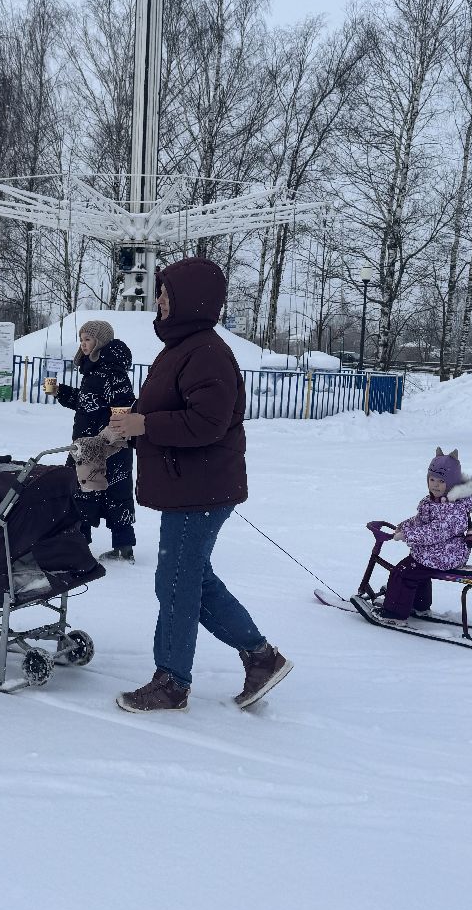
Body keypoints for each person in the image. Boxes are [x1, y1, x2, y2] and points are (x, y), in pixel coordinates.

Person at [106, 258, 292, 713]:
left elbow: (207, 423)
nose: (159, 300)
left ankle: (172, 681)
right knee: (191, 580)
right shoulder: (185, 347)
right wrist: (134, 418)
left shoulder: (205, 351)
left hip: (201, 490)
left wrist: (145, 423)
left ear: (190, 299)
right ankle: (262, 657)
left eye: (167, 293)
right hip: (191, 486)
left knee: (175, 584)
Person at [49, 320, 137, 561]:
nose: (83, 344)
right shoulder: (94, 370)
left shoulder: (112, 371)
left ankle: (119, 546)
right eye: (81, 339)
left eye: (88, 339)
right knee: (82, 491)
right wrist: (61, 392)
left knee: (104, 492)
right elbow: (87, 402)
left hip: (107, 446)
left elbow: (122, 408)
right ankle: (83, 543)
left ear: (100, 342)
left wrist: (106, 439)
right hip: (88, 443)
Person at [359, 448, 472, 625]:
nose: (435, 485)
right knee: (417, 571)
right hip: (434, 553)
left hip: (446, 555)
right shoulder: (431, 501)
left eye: (441, 481)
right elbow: (420, 520)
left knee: (403, 573)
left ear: (452, 483)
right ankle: (419, 606)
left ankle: (394, 613)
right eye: (432, 479)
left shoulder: (455, 509)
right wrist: (404, 526)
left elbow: (434, 532)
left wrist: (407, 535)